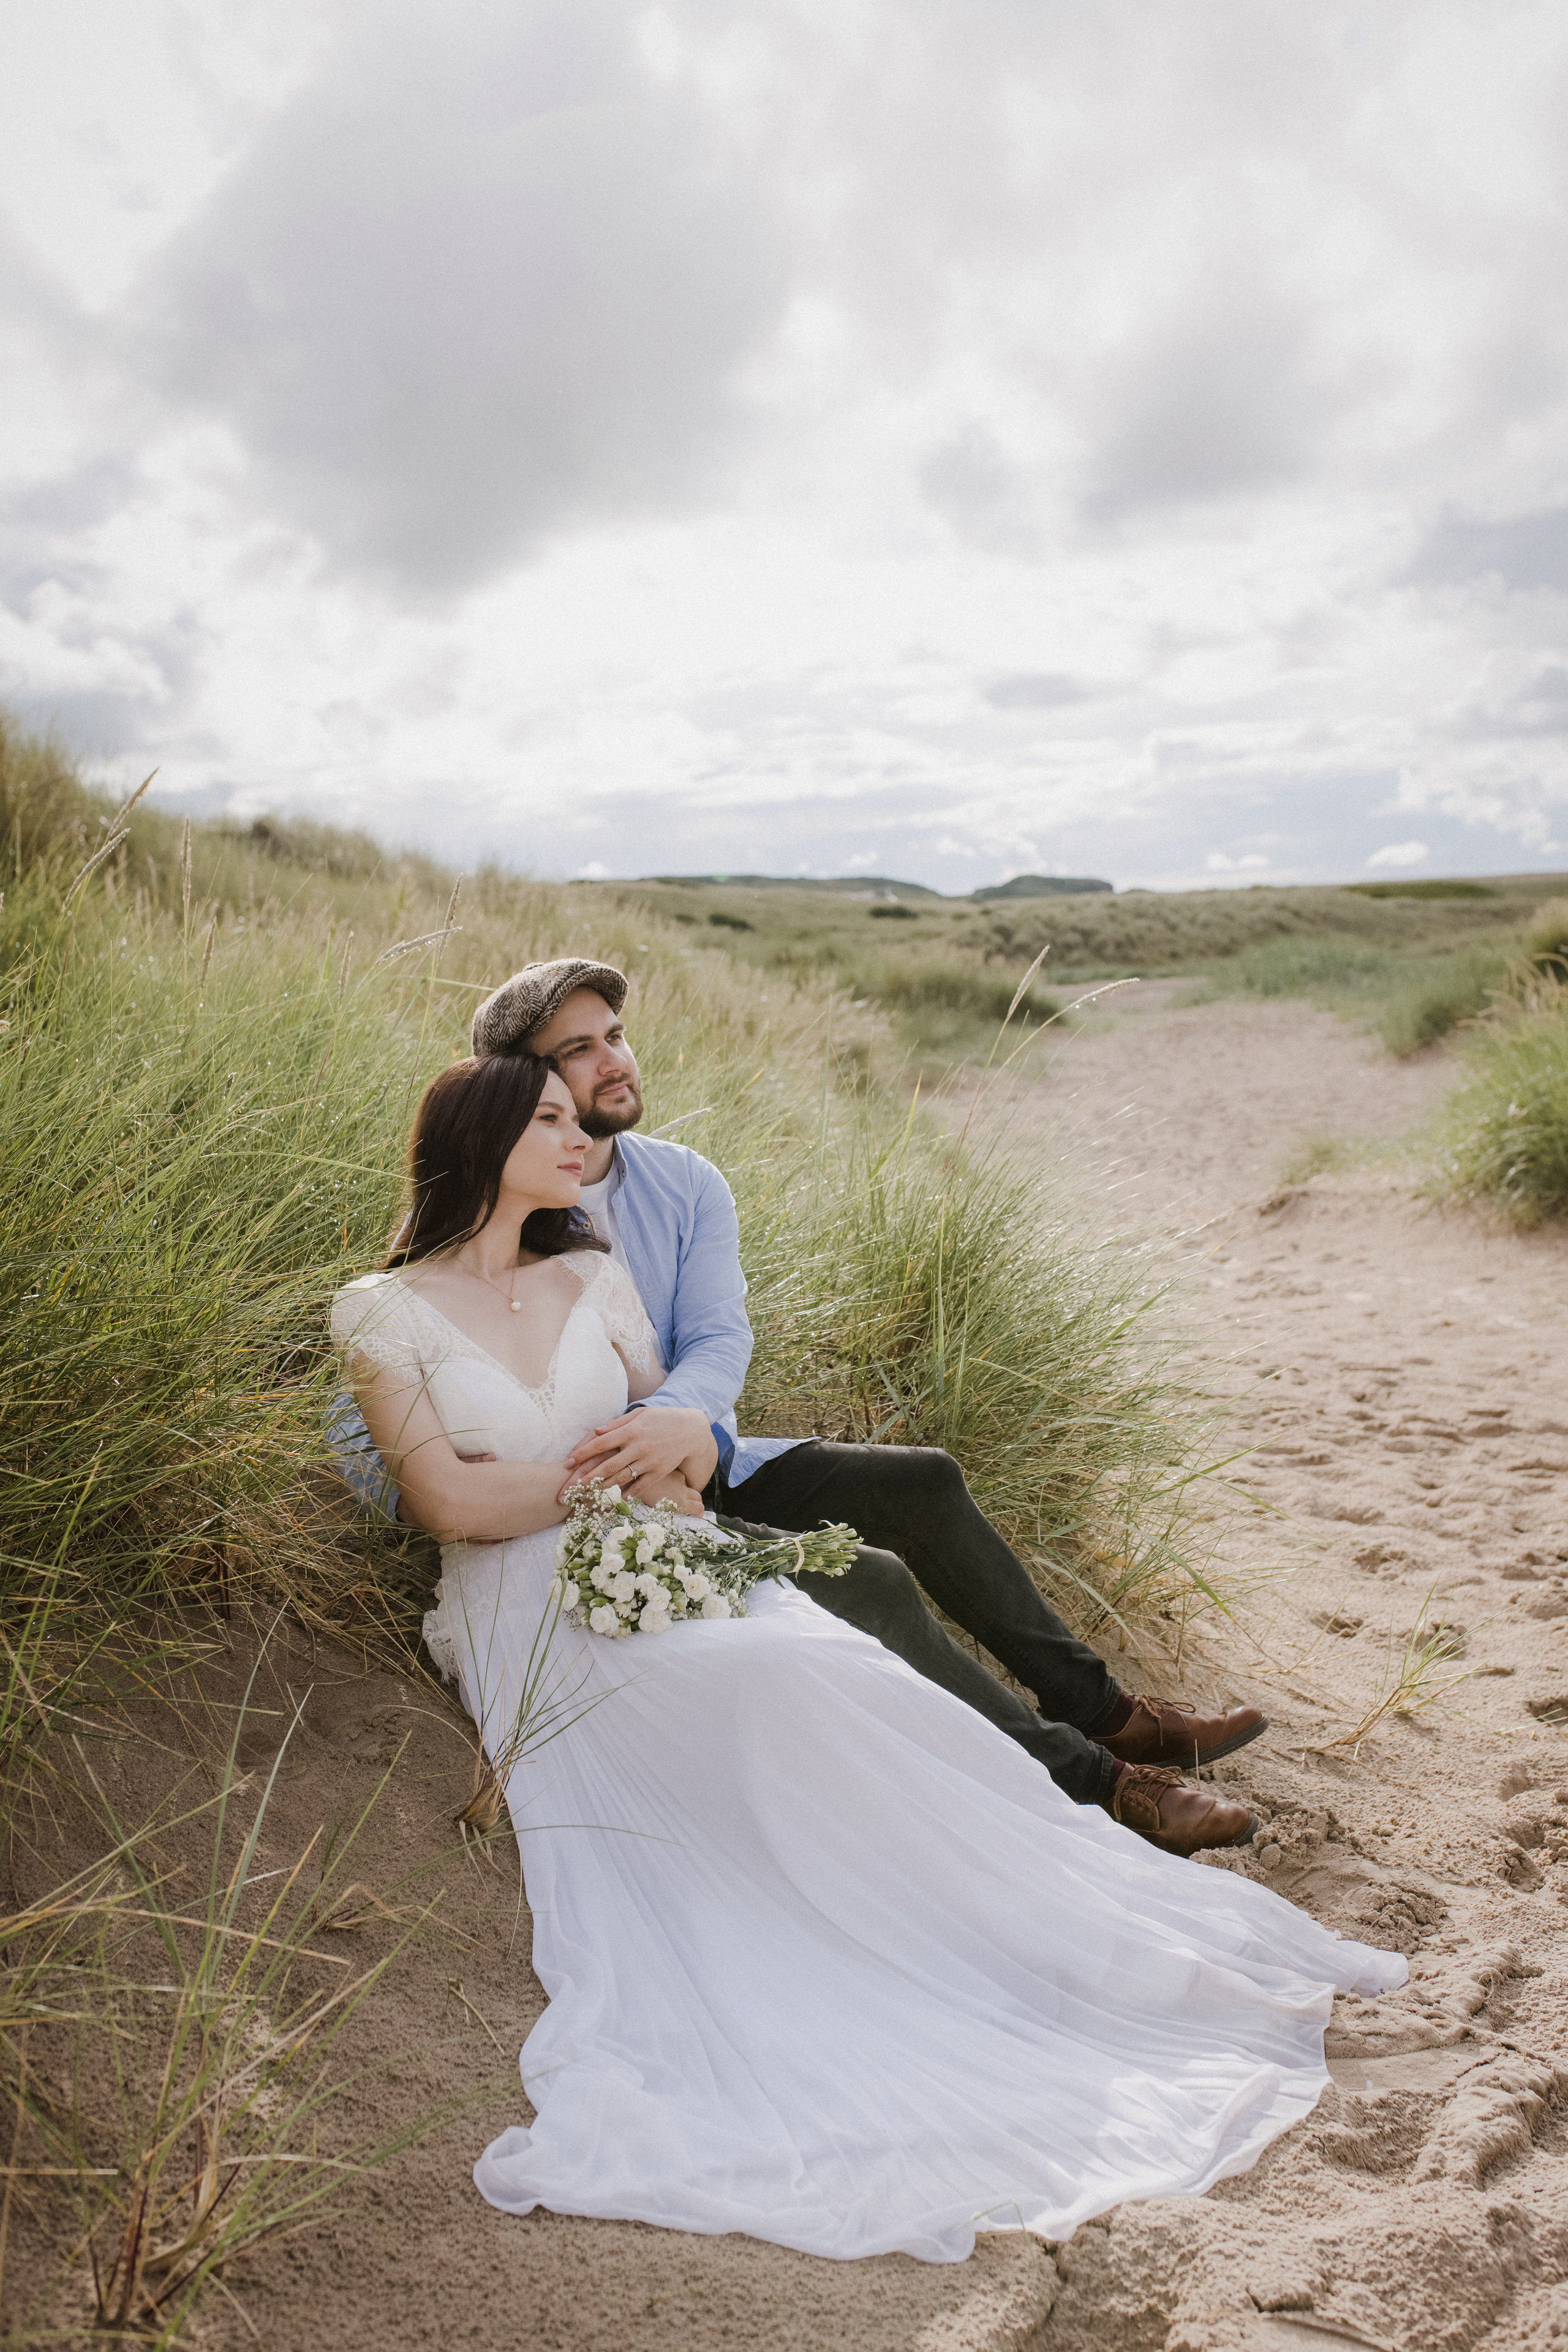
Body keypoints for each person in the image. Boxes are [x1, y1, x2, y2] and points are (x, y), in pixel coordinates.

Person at [330, 1049, 1405, 2263]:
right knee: (766, 1680)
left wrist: (661, 1452)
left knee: (843, 1672)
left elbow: (683, 1462)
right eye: (545, 1116)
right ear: (477, 1136)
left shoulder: (592, 1275)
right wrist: (598, 1478)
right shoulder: (383, 1314)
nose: (578, 1134)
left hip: (665, 1561)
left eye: (576, 1119)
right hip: (525, 1604)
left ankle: (1009, 1916)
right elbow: (446, 1507)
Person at [330, 954, 1266, 1855]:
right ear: (513, 1087)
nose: (612, 1062)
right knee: (867, 1582)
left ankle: (1112, 1722)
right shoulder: (431, 1273)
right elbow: (410, 1420)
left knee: (924, 1485)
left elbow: (717, 1339)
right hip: (590, 1515)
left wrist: (684, 1428)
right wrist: (524, 1485)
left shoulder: (680, 1183)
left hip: (692, 1462)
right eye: (577, 1052)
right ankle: (1091, 1781)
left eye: (615, 1035)